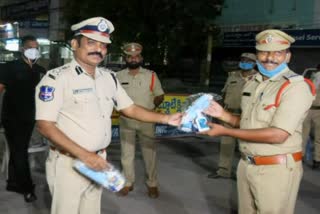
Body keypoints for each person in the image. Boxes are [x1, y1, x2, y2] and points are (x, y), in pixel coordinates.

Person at [35, 17, 181, 214]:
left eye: (103, 45)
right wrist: (85, 155)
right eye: (91, 42)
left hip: (97, 162)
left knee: (91, 209)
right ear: (74, 44)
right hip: (70, 162)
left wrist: (165, 118)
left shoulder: (108, 78)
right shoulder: (56, 78)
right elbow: (45, 125)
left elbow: (130, 108)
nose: (98, 49)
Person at [201, 29, 315, 214]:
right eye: (264, 52)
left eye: (277, 53)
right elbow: (248, 124)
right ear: (257, 55)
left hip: (275, 170)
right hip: (247, 164)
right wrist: (223, 115)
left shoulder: (296, 87)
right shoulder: (254, 82)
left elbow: (278, 135)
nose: (269, 58)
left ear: (287, 56)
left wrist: (225, 131)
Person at [0, 35, 46, 202]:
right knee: (20, 152)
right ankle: (27, 188)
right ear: (22, 49)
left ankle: (13, 182)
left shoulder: (40, 70)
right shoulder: (9, 67)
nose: (34, 50)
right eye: (30, 47)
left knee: (18, 149)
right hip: (12, 118)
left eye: (37, 47)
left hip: (30, 118)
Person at [116, 43, 164, 198]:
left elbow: (159, 95)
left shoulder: (151, 75)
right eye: (130, 56)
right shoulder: (118, 76)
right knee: (126, 153)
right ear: (125, 58)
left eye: (136, 56)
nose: (133, 59)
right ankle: (127, 183)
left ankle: (152, 184)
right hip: (126, 120)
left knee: (149, 153)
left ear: (141, 58)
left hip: (146, 121)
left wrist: (152, 106)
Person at [208, 52, 257, 179]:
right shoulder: (232, 75)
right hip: (228, 114)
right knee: (226, 145)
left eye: (248, 60)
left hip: (246, 117)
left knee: (246, 147)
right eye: (243, 59)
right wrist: (220, 112)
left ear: (254, 63)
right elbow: (224, 94)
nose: (244, 62)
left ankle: (246, 174)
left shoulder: (258, 78)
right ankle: (223, 171)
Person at [302, 64, 320, 169]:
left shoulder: (309, 79)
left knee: (305, 135)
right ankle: (316, 160)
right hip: (312, 110)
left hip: (309, 110)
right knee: (316, 137)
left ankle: (314, 159)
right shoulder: (309, 80)